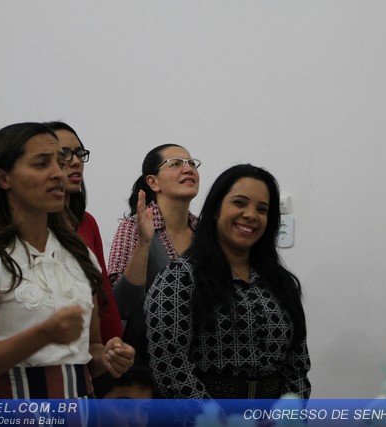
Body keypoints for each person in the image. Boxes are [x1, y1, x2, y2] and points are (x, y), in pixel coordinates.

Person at [0, 122, 134, 401]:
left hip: (79, 409)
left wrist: (107, 355)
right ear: (3, 178)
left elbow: (91, 348)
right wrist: (41, 335)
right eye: (42, 164)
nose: (58, 173)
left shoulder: (79, 254)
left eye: (59, 162)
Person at [145, 164, 311, 399]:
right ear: (215, 209)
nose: (251, 215)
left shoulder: (282, 283)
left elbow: (297, 365)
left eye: (262, 209)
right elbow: (170, 368)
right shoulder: (180, 278)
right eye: (239, 203)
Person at [108, 144, 200, 363]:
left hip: (200, 356)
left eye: (192, 163)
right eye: (175, 164)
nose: (188, 169)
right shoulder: (133, 227)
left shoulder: (206, 232)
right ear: (153, 182)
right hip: (147, 357)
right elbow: (120, 306)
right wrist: (144, 243)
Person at [45, 121, 123, 343]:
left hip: (92, 351)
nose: (76, 161)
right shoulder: (31, 227)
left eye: (80, 153)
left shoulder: (87, 222)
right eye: (65, 153)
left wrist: (113, 346)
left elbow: (104, 294)